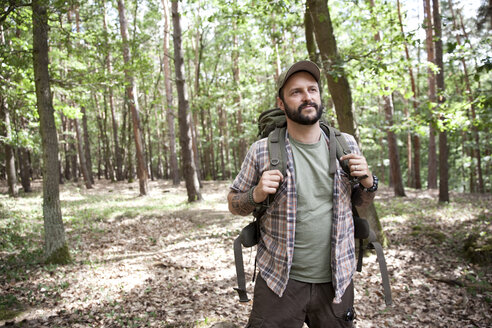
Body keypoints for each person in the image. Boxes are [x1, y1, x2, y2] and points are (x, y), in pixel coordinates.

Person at [227, 60, 378, 328]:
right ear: (281, 103)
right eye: (296, 92)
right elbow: (234, 203)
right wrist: (258, 193)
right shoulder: (262, 151)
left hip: (336, 281)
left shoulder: (345, 144)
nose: (307, 96)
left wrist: (368, 182)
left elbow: (360, 202)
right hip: (278, 283)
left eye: (312, 89)